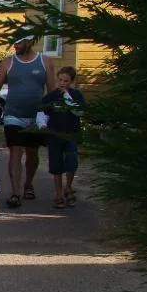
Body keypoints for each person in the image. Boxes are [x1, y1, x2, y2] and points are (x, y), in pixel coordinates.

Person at [0, 27, 55, 208]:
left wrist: (52, 115)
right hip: (13, 115)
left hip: (36, 117)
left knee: (32, 153)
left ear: (29, 42)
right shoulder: (8, 63)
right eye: (14, 42)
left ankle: (28, 183)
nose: (15, 45)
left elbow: (52, 91)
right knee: (15, 151)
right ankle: (15, 192)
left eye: (19, 42)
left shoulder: (44, 62)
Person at [37, 66, 85, 209]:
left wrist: (67, 96)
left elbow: (79, 112)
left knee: (71, 162)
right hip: (54, 135)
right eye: (60, 80)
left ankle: (68, 188)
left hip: (71, 134)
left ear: (72, 82)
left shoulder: (76, 95)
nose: (62, 83)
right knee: (56, 165)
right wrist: (42, 124)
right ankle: (58, 194)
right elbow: (41, 111)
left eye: (66, 81)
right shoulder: (51, 96)